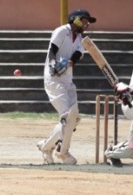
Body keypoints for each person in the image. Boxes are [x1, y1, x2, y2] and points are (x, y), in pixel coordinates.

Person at [37, 9, 96, 164]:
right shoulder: (62, 31)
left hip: (67, 80)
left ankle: (46, 146)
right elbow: (52, 50)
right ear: (75, 19)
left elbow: (76, 55)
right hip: (54, 79)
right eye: (84, 20)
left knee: (74, 119)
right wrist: (53, 65)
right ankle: (63, 152)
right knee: (68, 116)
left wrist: (68, 63)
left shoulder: (79, 39)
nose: (86, 24)